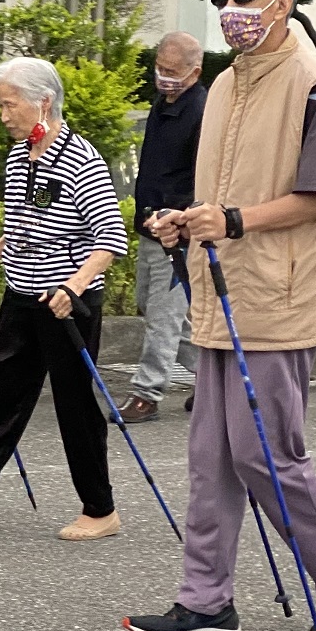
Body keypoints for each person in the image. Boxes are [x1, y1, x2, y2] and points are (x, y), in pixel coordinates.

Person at [126, 0, 316, 631]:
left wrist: (234, 220)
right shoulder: (225, 86)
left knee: (263, 451)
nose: (232, 9)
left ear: (284, 0)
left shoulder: (313, 81)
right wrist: (187, 218)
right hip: (222, 287)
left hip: (278, 294)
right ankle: (206, 600)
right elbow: (221, 193)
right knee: (211, 455)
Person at [0, 57, 128, 542]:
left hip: (66, 303)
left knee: (75, 405)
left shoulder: (82, 159)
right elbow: (17, 232)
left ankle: (100, 510)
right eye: (0, 106)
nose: (3, 115)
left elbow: (109, 241)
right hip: (22, 296)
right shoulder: (20, 155)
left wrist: (72, 289)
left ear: (43, 102)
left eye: (9, 105)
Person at [122, 32, 207, 424]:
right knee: (155, 305)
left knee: (163, 314)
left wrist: (181, 215)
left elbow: (203, 176)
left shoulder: (201, 111)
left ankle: (147, 393)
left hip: (175, 229)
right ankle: (213, 378)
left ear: (195, 71)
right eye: (159, 67)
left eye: (172, 71)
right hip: (149, 224)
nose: (163, 77)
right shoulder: (163, 103)